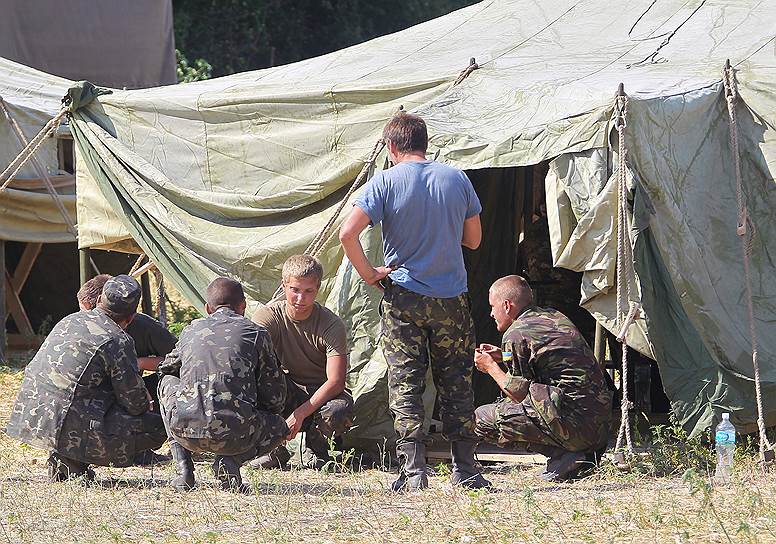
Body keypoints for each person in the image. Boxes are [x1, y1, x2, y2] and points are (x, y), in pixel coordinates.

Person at [339, 112, 490, 491]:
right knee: (457, 380)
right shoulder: (457, 178)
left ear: (391, 146)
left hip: (404, 296)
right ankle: (466, 470)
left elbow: (347, 234)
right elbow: (474, 240)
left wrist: (370, 274)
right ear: (425, 143)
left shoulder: (385, 182)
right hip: (450, 298)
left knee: (405, 381)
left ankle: (414, 470)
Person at [6, 275, 166, 482]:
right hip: (67, 425)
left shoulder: (69, 320)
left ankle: (66, 459)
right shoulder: (118, 340)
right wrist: (144, 393)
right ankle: (73, 457)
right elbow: (135, 404)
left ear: (99, 300)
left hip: (30, 419)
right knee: (160, 423)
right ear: (132, 316)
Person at [473, 275, 612, 482]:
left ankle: (564, 454)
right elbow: (548, 358)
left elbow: (518, 395)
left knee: (480, 418)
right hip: (598, 427)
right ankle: (578, 455)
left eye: (493, 306)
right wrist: (503, 356)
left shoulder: (516, 334)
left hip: (576, 426)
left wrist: (491, 367)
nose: (491, 313)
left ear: (507, 305)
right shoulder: (553, 316)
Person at [158, 277, 288, 492]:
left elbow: (166, 368)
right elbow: (275, 398)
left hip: (186, 431)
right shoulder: (256, 334)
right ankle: (233, 461)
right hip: (237, 435)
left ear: (208, 308)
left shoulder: (191, 330)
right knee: (279, 426)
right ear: (243, 306)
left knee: (166, 382)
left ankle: (184, 468)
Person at [251, 255, 353, 470]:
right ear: (284, 285)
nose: (300, 298)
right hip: (285, 389)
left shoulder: (331, 324)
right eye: (295, 289)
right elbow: (249, 359)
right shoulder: (268, 317)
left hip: (322, 392)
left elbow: (336, 382)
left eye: (309, 291)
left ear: (318, 289)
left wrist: (300, 413)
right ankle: (273, 448)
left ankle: (317, 448)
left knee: (338, 410)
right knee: (256, 384)